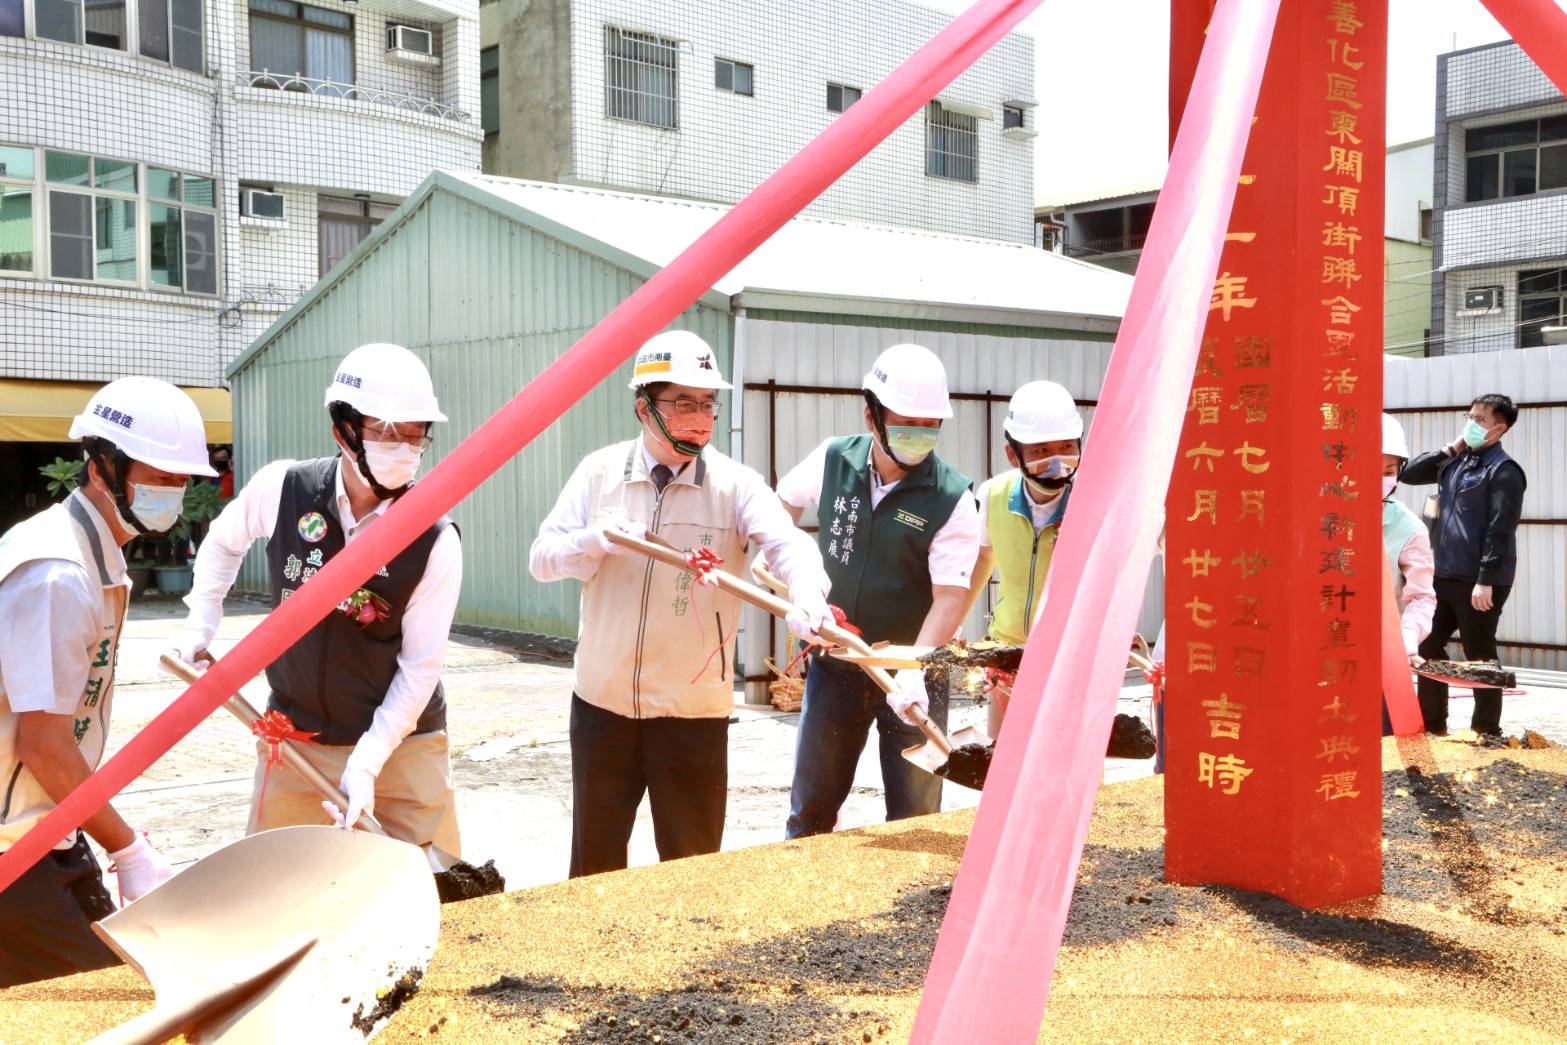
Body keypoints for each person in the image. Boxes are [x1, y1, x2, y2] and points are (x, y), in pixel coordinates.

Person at [529, 330, 831, 877]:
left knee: (691, 872)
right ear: (643, 406)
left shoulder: (736, 485)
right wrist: (592, 541)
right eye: (683, 403)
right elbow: (542, 559)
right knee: (594, 867)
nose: (700, 417)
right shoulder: (599, 475)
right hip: (603, 708)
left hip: (693, 715)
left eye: (708, 403)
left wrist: (807, 592)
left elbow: (788, 543)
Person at [175, 343, 463, 854]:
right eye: (385, 431)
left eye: (415, 433)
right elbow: (222, 542)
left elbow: (420, 667)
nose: (402, 447)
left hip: (401, 748)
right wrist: (201, 624)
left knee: (429, 891)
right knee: (274, 889)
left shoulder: (434, 536)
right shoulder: (284, 489)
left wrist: (369, 759)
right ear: (343, 431)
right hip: (295, 737)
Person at [0, 377, 213, 987]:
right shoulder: (58, 573)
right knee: (110, 1003)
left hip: (45, 827)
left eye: (181, 480)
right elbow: (43, 744)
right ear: (100, 467)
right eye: (159, 477)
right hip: (15, 847)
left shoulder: (96, 555)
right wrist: (129, 848)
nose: (172, 494)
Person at [777, 343, 979, 838]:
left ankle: (914, 913)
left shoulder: (953, 497)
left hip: (915, 678)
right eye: (907, 421)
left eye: (931, 424)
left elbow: (950, 595)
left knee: (915, 822)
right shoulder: (832, 460)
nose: (920, 435)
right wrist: (794, 586)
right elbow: (779, 508)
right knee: (811, 810)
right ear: (872, 415)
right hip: (837, 661)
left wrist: (917, 664)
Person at [1399, 394, 1526, 736]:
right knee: (1427, 644)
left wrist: (1485, 579)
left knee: (1479, 651)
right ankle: (1432, 723)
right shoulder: (1457, 462)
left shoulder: (1504, 471)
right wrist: (1454, 446)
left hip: (1480, 580)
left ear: (1499, 428)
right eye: (1470, 417)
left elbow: (1500, 529)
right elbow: (1409, 473)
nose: (1472, 424)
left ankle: (1486, 730)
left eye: (1480, 420)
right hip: (1443, 574)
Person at [961, 380, 1080, 740]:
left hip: (1070, 659)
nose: (1057, 462)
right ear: (1013, 455)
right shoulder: (994, 494)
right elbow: (982, 560)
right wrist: (953, 623)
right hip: (1007, 655)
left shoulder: (1095, 499)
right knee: (1002, 764)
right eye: (1041, 449)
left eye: (1067, 447)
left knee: (1068, 773)